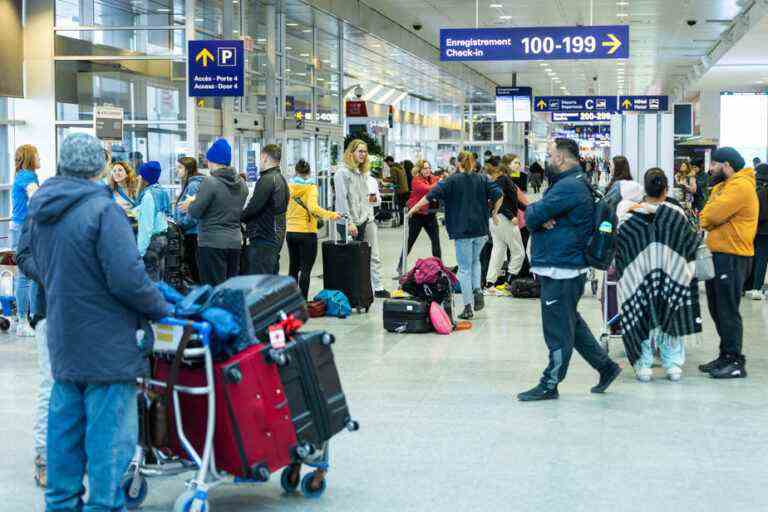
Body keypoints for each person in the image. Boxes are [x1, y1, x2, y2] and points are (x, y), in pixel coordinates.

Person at [27, 132, 172, 511]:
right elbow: (128, 279)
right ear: (99, 167)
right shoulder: (103, 211)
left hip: (64, 341)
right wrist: (161, 308)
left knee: (65, 440)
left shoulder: (41, 210)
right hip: (108, 349)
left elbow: (35, 264)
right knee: (108, 449)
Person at [518, 138, 621, 401]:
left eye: (550, 155)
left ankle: (550, 383)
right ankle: (606, 366)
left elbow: (529, 216)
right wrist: (542, 219)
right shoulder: (575, 183)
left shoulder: (567, 188)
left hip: (561, 267)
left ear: (561, 159)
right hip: (565, 265)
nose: (548, 159)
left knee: (557, 330)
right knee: (570, 323)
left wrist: (539, 218)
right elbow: (537, 216)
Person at [615, 168, 700, 382]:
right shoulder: (675, 215)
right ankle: (673, 366)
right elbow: (689, 245)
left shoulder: (629, 216)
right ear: (666, 189)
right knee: (669, 315)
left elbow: (621, 250)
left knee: (641, 316)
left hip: (639, 280)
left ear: (645, 189)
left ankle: (643, 366)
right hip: (671, 276)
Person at [408, 151, 501, 320]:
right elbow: (499, 194)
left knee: (464, 268)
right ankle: (477, 290)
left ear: (458, 164)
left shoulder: (450, 180)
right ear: (473, 163)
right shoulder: (482, 179)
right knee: (475, 262)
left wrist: (414, 208)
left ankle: (467, 306)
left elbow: (430, 196)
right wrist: (494, 213)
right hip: (481, 229)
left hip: (462, 229)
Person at [699, 147, 759, 379]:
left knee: (727, 310)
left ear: (726, 166)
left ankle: (735, 361)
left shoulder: (740, 186)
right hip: (721, 255)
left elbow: (710, 217)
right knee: (717, 308)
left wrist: (711, 218)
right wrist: (711, 216)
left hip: (732, 257)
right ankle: (725, 355)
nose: (710, 168)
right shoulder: (724, 186)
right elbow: (708, 213)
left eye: (714, 164)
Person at [184, 139, 248, 285]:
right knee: (230, 287)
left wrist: (190, 203)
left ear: (213, 161)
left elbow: (195, 212)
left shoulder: (210, 182)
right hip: (235, 242)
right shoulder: (242, 184)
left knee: (213, 288)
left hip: (212, 242)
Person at [16, 215, 50, 487]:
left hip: (89, 314)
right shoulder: (40, 211)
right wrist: (50, 274)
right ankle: (45, 457)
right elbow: (23, 255)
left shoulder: (101, 208)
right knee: (51, 385)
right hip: (49, 310)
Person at [335, 139, 390, 298]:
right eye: (360, 151)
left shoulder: (365, 175)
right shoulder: (342, 173)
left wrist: (372, 195)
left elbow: (370, 200)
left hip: (367, 219)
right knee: (351, 258)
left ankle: (377, 287)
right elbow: (342, 200)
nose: (363, 154)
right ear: (351, 153)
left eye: (365, 152)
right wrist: (349, 222)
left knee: (373, 255)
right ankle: (351, 290)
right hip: (349, 222)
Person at [286, 159, 340, 299]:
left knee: (293, 267)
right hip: (306, 232)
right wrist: (331, 215)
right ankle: (302, 302)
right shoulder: (311, 187)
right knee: (305, 270)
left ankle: (290, 301)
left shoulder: (289, 187)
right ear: (309, 172)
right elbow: (313, 208)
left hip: (291, 232)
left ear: (296, 171)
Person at [241, 144, 289, 275]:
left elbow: (254, 207)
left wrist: (238, 217)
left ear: (265, 157)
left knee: (261, 284)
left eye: (260, 158)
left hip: (264, 238)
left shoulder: (267, 179)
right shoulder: (281, 179)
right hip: (275, 238)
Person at [11, 144, 41, 337]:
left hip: (23, 228)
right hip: (24, 229)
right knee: (25, 276)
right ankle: (23, 320)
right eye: (37, 156)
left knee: (31, 276)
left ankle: (29, 318)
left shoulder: (24, 175)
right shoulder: (27, 176)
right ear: (30, 157)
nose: (40, 159)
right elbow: (37, 197)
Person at [485, 161, 525, 294]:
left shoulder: (497, 181)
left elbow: (515, 202)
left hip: (494, 220)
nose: (518, 166)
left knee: (498, 251)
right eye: (515, 162)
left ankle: (490, 283)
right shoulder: (503, 179)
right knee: (518, 252)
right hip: (504, 219)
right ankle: (509, 281)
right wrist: (511, 216)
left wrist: (528, 209)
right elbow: (499, 200)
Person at [398, 159, 442, 273]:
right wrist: (439, 182)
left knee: (436, 241)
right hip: (417, 214)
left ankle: (439, 267)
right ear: (420, 170)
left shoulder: (433, 178)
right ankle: (400, 266)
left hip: (430, 215)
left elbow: (440, 184)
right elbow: (427, 189)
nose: (427, 170)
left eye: (428, 168)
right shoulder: (416, 180)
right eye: (425, 168)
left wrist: (440, 180)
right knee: (410, 241)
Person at [136, 161, 171, 281]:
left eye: (140, 175)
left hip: (152, 242)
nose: (137, 178)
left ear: (144, 178)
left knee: (151, 281)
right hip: (163, 239)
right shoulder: (160, 191)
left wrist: (140, 252)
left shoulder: (148, 196)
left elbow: (146, 227)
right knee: (159, 278)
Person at [172, 157, 204, 283]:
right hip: (193, 232)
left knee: (195, 269)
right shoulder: (192, 184)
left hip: (193, 233)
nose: (177, 170)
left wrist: (180, 224)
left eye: (180, 168)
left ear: (188, 170)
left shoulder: (193, 185)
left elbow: (194, 213)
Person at [744, 163, 768, 300]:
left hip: (759, 230)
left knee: (759, 259)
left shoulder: (756, 190)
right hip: (763, 230)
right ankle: (757, 288)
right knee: (761, 259)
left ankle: (756, 288)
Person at [385, 156, 409, 227]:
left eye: (386, 162)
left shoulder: (392, 168)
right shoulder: (400, 167)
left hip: (400, 191)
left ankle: (401, 222)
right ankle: (404, 221)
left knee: (400, 207)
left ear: (389, 161)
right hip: (405, 190)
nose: (386, 164)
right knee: (403, 206)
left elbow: (394, 180)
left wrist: (385, 180)